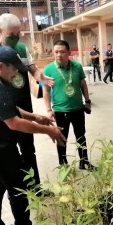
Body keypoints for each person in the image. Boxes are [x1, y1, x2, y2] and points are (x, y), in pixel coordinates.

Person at [0, 46, 66, 225]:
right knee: (18, 191)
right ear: (0, 66)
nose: (16, 73)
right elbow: (14, 122)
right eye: (14, 69)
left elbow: (9, 109)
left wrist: (35, 116)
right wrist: (47, 130)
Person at [0, 13, 54, 188]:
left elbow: (33, 70)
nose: (15, 38)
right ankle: (20, 190)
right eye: (11, 35)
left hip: (24, 107)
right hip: (4, 114)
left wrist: (42, 78)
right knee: (10, 154)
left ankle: (36, 187)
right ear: (0, 31)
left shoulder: (21, 49)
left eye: (18, 34)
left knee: (29, 150)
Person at [43, 40, 94, 170]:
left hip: (77, 109)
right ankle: (63, 164)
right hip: (60, 111)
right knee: (61, 138)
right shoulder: (49, 69)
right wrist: (49, 110)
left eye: (62, 52)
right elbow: (46, 91)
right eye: (56, 52)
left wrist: (87, 101)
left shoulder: (76, 66)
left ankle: (84, 162)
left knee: (81, 136)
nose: (59, 55)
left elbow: (83, 84)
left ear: (69, 53)